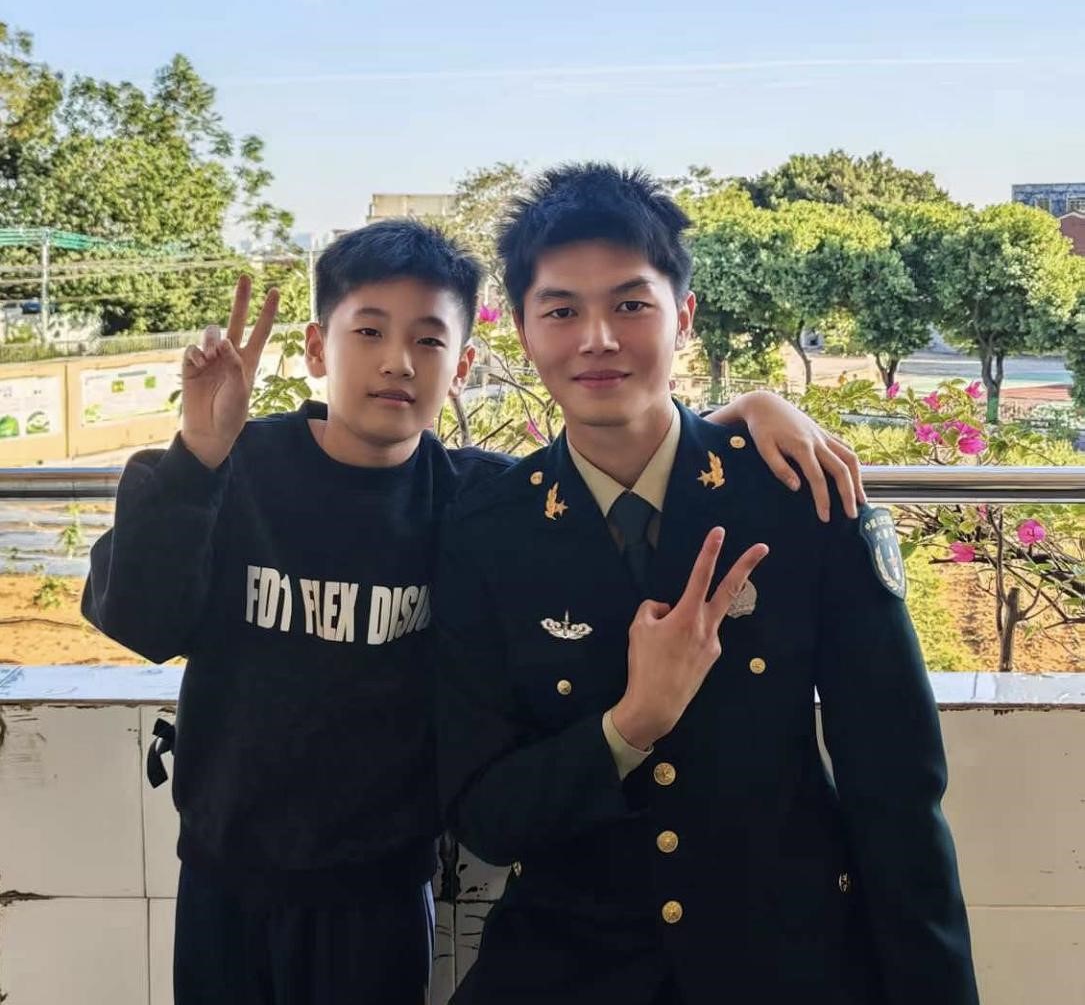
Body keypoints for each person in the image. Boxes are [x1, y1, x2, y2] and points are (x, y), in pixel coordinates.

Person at [82, 218, 859, 1004]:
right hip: (223, 876)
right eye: (369, 331)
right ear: (318, 349)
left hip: (379, 890)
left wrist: (749, 408)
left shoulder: (472, 500)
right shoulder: (234, 469)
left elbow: (617, 454)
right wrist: (196, 454)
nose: (397, 360)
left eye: (428, 339)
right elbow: (142, 623)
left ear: (461, 365)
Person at [434, 164, 979, 1005]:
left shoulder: (799, 498)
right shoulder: (489, 532)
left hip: (783, 962)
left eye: (630, 304)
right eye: (562, 311)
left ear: (682, 316)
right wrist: (627, 727)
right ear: (524, 330)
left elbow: (897, 791)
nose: (597, 339)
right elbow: (486, 814)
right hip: (574, 966)